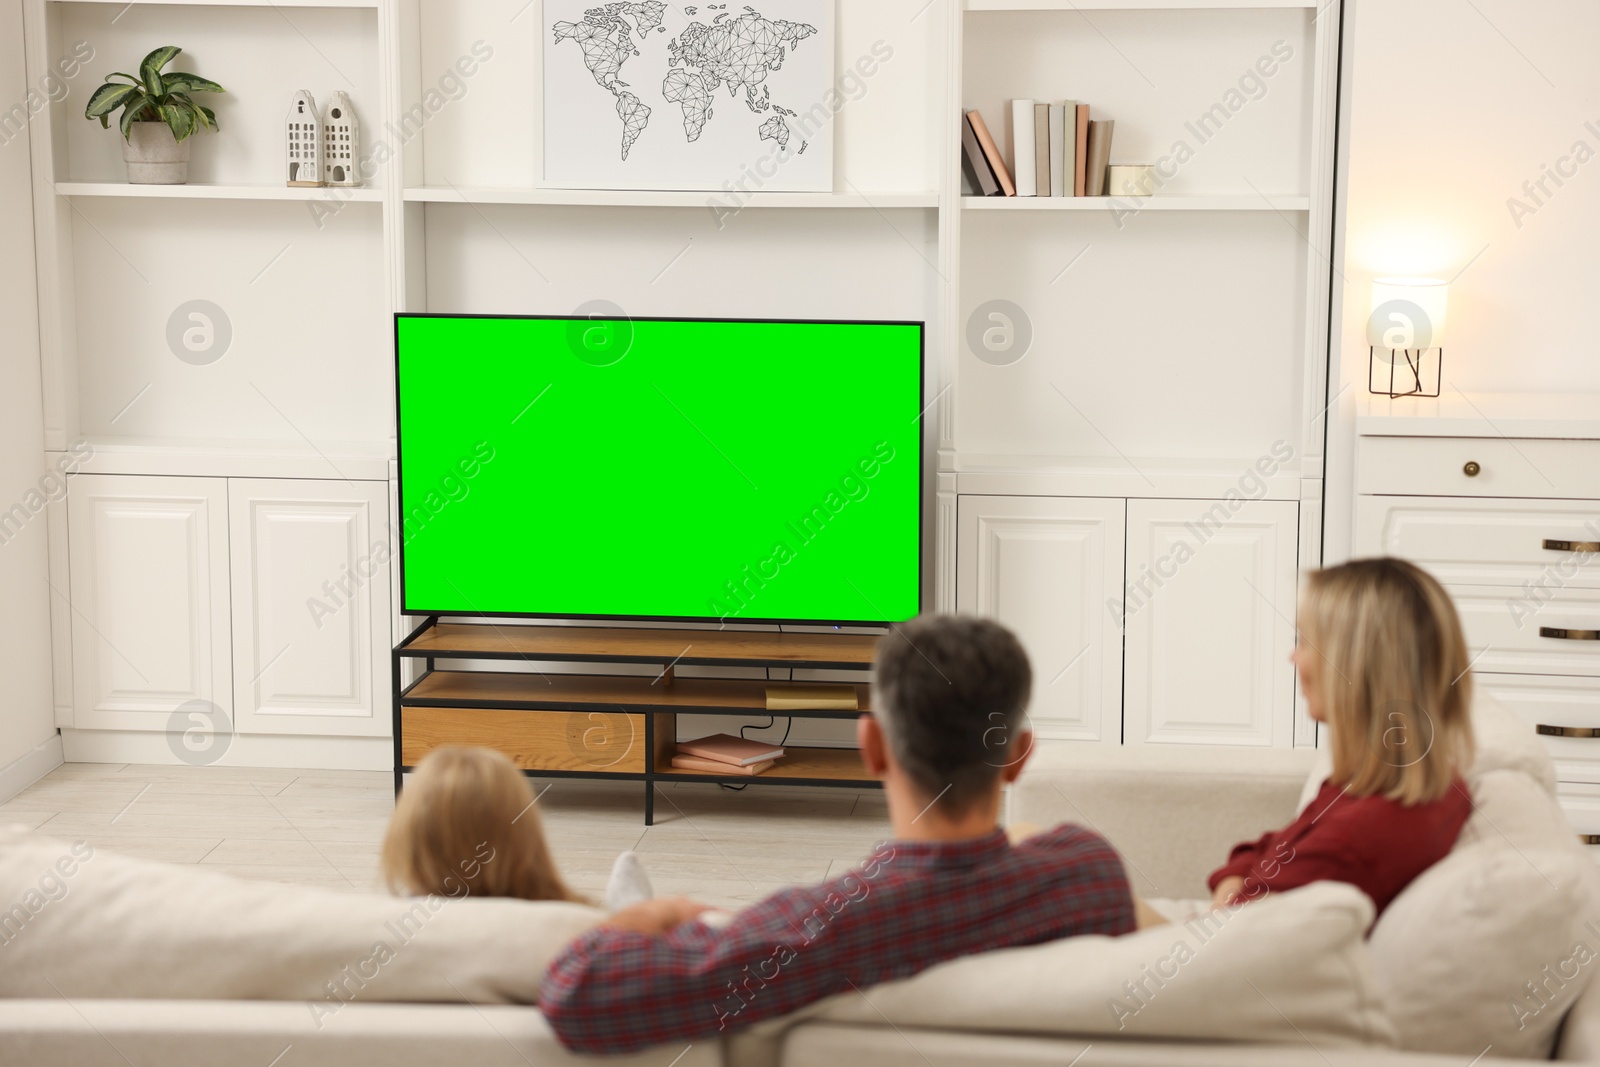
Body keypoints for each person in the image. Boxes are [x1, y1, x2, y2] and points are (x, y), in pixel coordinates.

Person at [539, 614, 1136, 1055]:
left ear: (871, 746)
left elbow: (575, 993)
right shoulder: (1090, 872)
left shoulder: (821, 926)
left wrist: (655, 914)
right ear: (1018, 756)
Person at [1202, 557, 1476, 918]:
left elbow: (1234, 938)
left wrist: (1234, 895)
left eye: (1304, 641)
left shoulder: (1360, 835)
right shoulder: (1371, 791)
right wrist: (1234, 881)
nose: (1293, 658)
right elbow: (1266, 848)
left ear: (1352, 667)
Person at [381, 745, 652, 907]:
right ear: (524, 836)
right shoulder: (568, 937)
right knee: (631, 915)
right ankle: (630, 913)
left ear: (405, 837)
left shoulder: (380, 942)